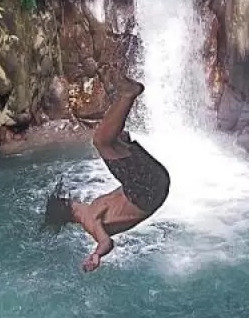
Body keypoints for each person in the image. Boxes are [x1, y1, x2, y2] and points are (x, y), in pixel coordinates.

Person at [42, 77, 171, 272]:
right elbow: (106, 242)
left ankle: (124, 99)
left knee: (112, 140)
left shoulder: (92, 209)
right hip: (148, 191)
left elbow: (123, 196)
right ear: (65, 205)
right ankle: (128, 94)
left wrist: (124, 155)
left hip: (150, 187)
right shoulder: (89, 220)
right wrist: (96, 255)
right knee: (101, 142)